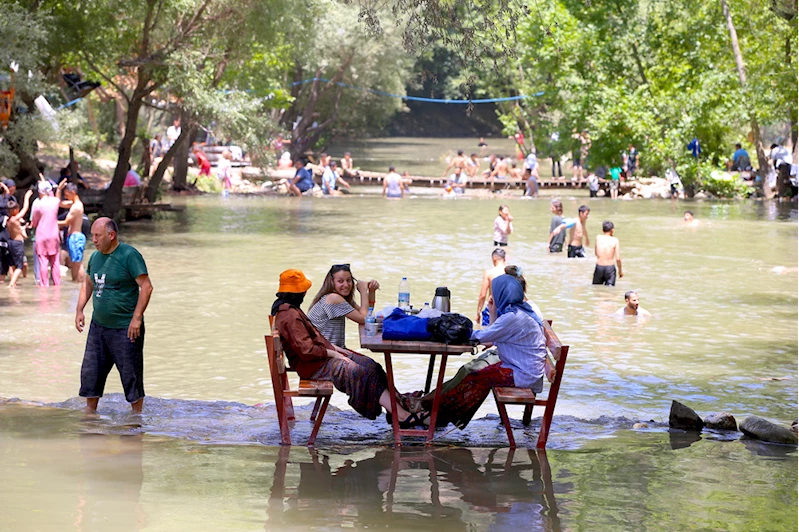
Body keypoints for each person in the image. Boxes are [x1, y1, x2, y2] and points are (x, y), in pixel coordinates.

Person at [271, 269, 420, 427]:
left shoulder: (290, 310)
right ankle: (402, 416)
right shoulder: (289, 315)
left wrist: (335, 349)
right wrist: (333, 354)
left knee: (372, 366)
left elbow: (315, 339)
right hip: (312, 365)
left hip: (317, 359)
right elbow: (307, 350)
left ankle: (396, 408)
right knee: (362, 373)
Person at [407, 274, 547, 430]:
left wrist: (451, 331)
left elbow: (481, 336)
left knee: (475, 378)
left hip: (522, 374)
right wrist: (493, 311)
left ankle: (439, 416)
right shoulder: (519, 311)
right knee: (472, 375)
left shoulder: (513, 318)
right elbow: (494, 334)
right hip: (523, 369)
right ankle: (435, 410)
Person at [75, 217, 153, 414]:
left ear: (111, 235)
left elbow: (146, 287)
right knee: (90, 374)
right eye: (92, 235)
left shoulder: (128, 255)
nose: (94, 239)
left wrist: (137, 318)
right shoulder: (95, 257)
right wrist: (79, 310)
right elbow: (88, 283)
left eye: (98, 235)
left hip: (125, 328)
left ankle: (136, 418)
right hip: (98, 327)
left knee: (131, 376)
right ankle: (90, 416)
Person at [308, 264, 379, 348]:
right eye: (340, 281)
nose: (346, 285)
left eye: (348, 280)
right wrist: (363, 291)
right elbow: (364, 319)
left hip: (335, 350)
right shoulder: (333, 299)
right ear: (331, 282)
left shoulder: (341, 299)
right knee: (368, 362)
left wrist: (371, 291)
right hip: (324, 353)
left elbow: (368, 314)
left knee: (368, 361)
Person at [31, 181, 61, 286]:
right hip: (54, 235)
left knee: (43, 261)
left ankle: (44, 285)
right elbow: (54, 197)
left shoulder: (37, 204)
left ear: (39, 191)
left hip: (42, 235)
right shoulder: (56, 202)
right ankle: (57, 284)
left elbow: (34, 222)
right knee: (55, 261)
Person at [57, 182, 86, 282]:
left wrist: (51, 223)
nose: (65, 196)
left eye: (67, 194)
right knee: (74, 262)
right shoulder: (73, 204)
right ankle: (75, 282)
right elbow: (59, 203)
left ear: (73, 192)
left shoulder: (76, 207)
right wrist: (59, 190)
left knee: (77, 263)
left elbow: (66, 222)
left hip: (76, 237)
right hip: (72, 237)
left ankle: (80, 283)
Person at [4, 190, 33, 287]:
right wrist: (27, 197)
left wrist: (23, 228)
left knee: (12, 264)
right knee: (20, 266)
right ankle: (12, 284)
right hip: (17, 243)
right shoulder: (15, 219)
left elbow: (16, 229)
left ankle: (13, 282)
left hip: (10, 242)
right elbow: (25, 208)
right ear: (15, 210)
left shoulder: (8, 220)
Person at [476, 248, 506, 326]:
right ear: (504, 259)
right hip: (507, 309)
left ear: (493, 258)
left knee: (487, 334)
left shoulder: (489, 273)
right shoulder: (510, 272)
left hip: (492, 308)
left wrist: (478, 312)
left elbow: (482, 295)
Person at [592, 220, 622, 286]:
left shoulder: (598, 237)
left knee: (596, 288)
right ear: (612, 230)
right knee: (610, 291)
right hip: (610, 268)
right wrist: (620, 271)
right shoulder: (615, 240)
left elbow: (596, 253)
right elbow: (618, 259)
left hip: (599, 267)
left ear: (603, 230)